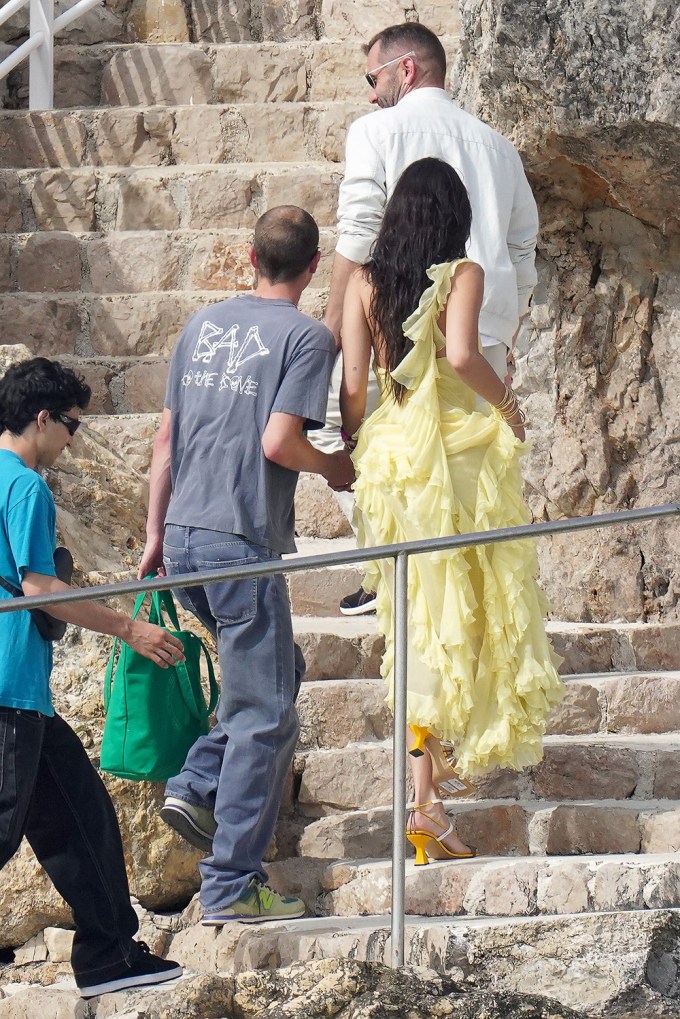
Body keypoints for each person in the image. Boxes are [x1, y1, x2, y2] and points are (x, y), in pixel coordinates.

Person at [340, 158, 563, 866]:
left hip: (394, 460)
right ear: (453, 215)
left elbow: (353, 386)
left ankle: (426, 801)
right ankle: (432, 797)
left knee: (417, 620)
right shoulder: (463, 273)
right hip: (456, 459)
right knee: (468, 610)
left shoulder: (365, 282)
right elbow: (462, 356)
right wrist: (509, 405)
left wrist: (355, 442)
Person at [138, 206, 354, 925]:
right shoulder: (307, 336)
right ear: (313, 266)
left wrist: (152, 536)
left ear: (248, 257)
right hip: (241, 540)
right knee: (266, 711)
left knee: (275, 667)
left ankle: (200, 779)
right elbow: (279, 443)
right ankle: (232, 885)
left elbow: (166, 439)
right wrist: (337, 468)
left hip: (185, 539)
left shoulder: (201, 325)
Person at [315, 20, 540, 615]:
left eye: (373, 76)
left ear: (405, 68)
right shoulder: (497, 143)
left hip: (394, 329)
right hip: (482, 329)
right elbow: (523, 249)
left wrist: (334, 324)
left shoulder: (375, 130)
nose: (370, 92)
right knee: (469, 460)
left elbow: (361, 229)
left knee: (341, 431)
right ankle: (461, 585)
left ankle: (387, 566)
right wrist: (505, 325)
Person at [0, 357, 185, 998]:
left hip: (27, 695)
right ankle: (109, 953)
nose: (73, 440)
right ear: (43, 418)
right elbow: (40, 589)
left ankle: (109, 954)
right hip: (7, 690)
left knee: (82, 816)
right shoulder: (23, 487)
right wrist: (130, 627)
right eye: (72, 425)